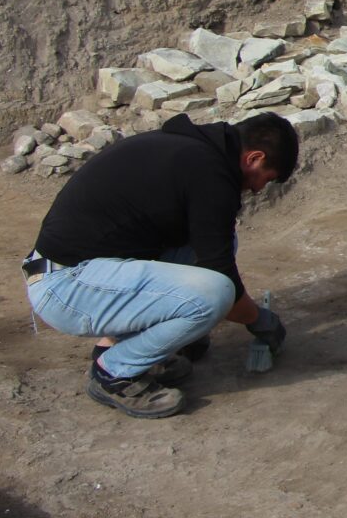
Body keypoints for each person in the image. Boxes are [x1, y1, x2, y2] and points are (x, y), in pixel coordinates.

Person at [23, 112, 299, 419]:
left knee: (212, 253)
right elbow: (223, 282)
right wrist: (259, 319)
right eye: (267, 177)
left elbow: (209, 251)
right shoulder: (210, 174)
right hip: (68, 287)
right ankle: (115, 373)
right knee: (215, 294)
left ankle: (116, 346)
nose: (260, 189)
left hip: (75, 272)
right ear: (254, 157)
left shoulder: (191, 150)